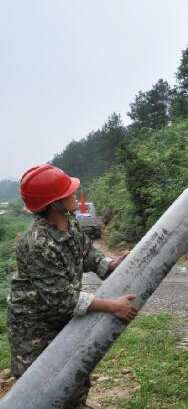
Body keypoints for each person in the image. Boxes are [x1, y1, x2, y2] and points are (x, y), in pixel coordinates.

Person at [8, 164, 137, 407]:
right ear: (54, 203)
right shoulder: (39, 244)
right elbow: (63, 300)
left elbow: (88, 255)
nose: (75, 194)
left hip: (62, 319)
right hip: (34, 327)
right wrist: (112, 306)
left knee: (75, 376)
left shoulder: (70, 223)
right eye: (68, 193)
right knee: (39, 386)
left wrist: (112, 265)